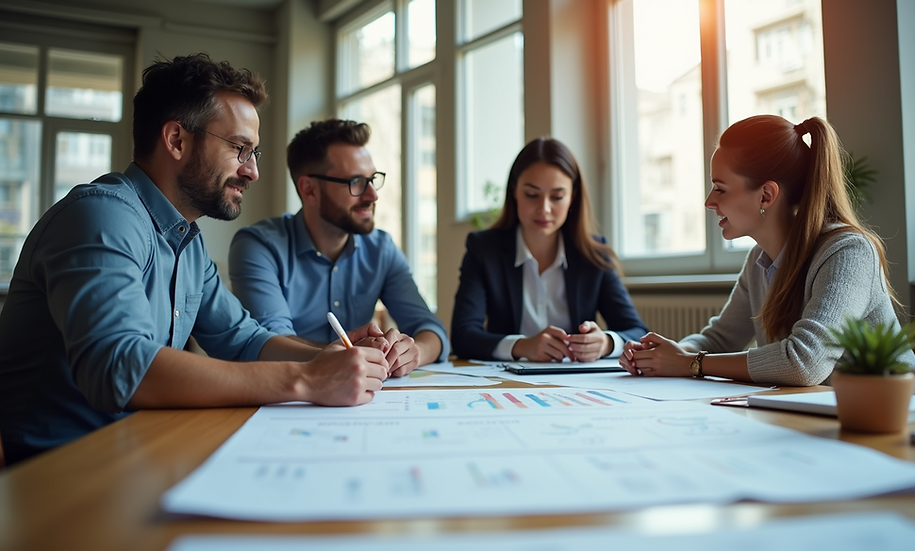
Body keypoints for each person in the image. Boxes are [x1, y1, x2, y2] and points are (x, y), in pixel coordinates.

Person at [0, 54, 391, 466]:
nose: (253, 172)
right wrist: (305, 379)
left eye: (254, 153)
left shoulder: (187, 242)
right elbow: (120, 368)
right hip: (54, 469)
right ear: (176, 140)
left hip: (135, 452)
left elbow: (244, 340)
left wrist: (339, 356)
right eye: (240, 149)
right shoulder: (101, 216)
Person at [619, 115, 915, 395]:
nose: (709, 202)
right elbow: (718, 340)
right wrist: (662, 355)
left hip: (902, 412)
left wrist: (690, 363)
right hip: (823, 411)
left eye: (720, 188)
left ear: (766, 195)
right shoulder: (759, 260)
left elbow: (804, 363)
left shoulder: (848, 251)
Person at [228, 119, 447, 376]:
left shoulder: (381, 249)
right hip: (285, 392)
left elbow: (432, 331)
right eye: (356, 182)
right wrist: (352, 354)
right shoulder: (258, 246)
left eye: (372, 179)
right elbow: (271, 343)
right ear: (309, 190)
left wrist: (413, 352)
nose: (373, 195)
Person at [451, 137, 647, 362]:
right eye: (532, 195)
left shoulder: (593, 254)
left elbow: (637, 332)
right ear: (514, 191)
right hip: (505, 378)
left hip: (573, 379)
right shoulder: (484, 250)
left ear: (572, 196)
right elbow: (463, 336)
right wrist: (521, 346)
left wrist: (606, 343)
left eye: (557, 197)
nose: (544, 208)